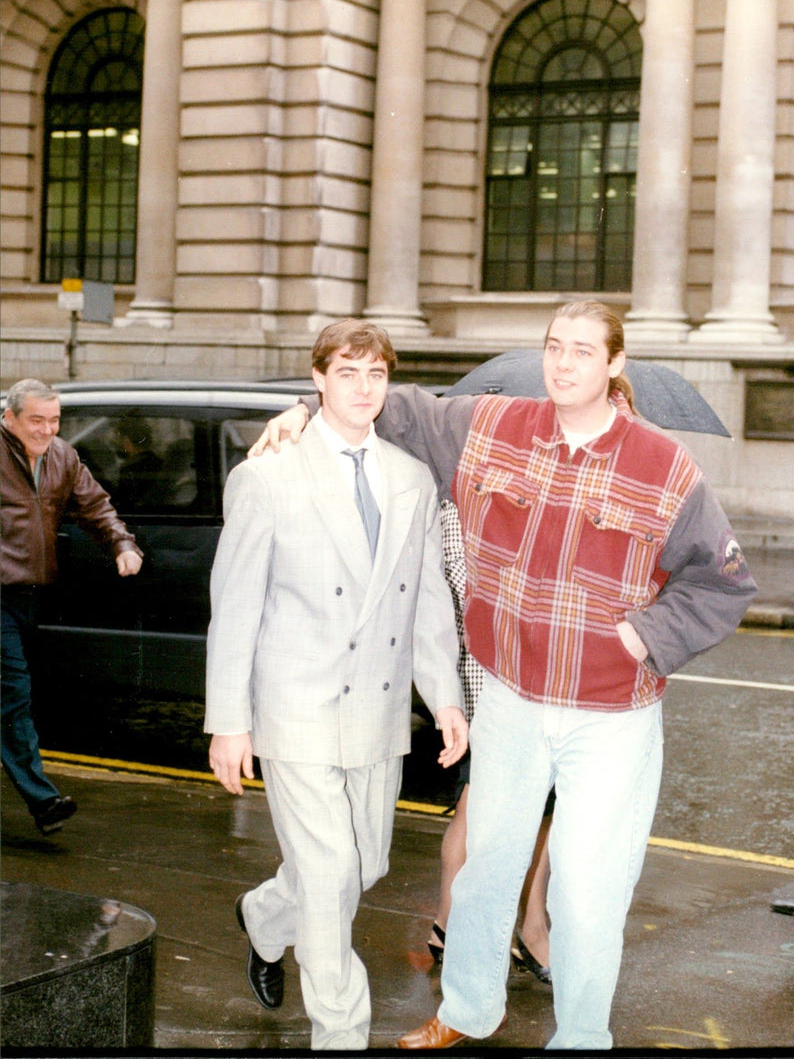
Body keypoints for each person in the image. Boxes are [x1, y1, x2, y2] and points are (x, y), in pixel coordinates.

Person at [251, 300, 758, 1050]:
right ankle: (465, 1011)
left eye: (583, 351)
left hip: (611, 716)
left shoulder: (664, 466)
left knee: (587, 891)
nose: (563, 364)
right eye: (555, 347)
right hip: (513, 700)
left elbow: (723, 584)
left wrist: (646, 634)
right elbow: (394, 406)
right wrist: (304, 408)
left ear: (614, 364)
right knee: (487, 872)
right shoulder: (493, 427)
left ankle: (582, 1036)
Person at [204, 320, 468, 1050]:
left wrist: (444, 695)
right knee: (326, 878)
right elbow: (237, 605)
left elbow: (426, 600)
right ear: (316, 380)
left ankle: (264, 916)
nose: (362, 388)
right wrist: (229, 720)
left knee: (366, 864)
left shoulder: (409, 479)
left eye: (375, 374)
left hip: (378, 710)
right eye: (346, 372)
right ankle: (340, 1032)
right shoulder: (267, 476)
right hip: (296, 706)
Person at [1, 378, 143, 835]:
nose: (47, 430)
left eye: (54, 420)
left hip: (29, 594)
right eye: (36, 421)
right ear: (10, 417)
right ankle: (43, 801)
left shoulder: (62, 456)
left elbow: (96, 505)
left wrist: (122, 544)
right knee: (13, 694)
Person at [432, 499, 554, 984]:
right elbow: (469, 589)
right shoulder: (466, 491)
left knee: (546, 805)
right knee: (477, 804)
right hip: (492, 676)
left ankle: (530, 925)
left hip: (540, 675)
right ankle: (452, 923)